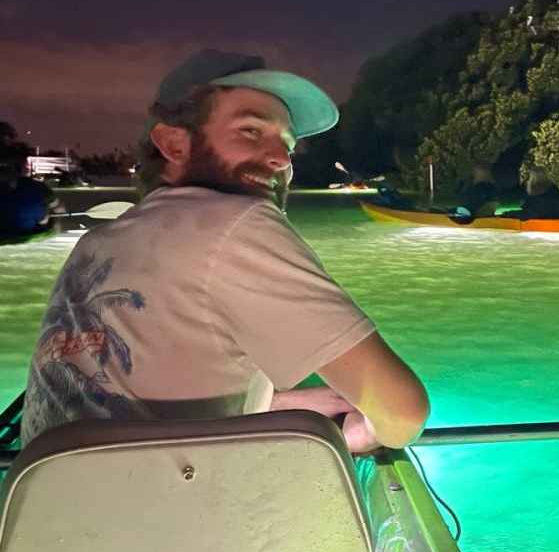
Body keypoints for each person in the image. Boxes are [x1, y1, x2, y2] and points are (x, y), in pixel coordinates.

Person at [21, 49, 430, 453]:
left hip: (54, 491)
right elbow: (403, 414)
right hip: (166, 496)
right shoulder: (237, 223)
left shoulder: (97, 243)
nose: (281, 159)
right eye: (251, 131)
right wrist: (357, 433)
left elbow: (136, 392)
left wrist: (276, 404)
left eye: (288, 145)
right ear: (174, 143)